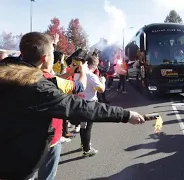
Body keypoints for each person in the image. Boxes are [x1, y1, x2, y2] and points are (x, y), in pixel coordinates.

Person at [0, 32, 145, 180]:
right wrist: (126, 115)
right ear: (45, 59)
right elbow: (80, 105)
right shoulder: (38, 87)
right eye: (52, 53)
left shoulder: (7, 68)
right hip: (20, 162)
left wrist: (62, 60)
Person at [74, 55, 106, 157]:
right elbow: (101, 89)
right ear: (95, 66)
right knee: (87, 127)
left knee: (83, 126)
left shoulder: (78, 73)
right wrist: (103, 82)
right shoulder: (92, 76)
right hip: (89, 104)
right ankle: (87, 150)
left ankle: (84, 144)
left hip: (78, 102)